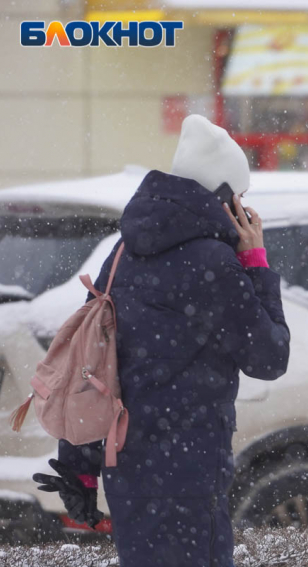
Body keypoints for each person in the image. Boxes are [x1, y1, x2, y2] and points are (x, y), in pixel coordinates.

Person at [33, 115, 291, 567]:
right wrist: (257, 264)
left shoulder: (124, 252)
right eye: (241, 196)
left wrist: (80, 466)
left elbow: (93, 363)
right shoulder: (212, 262)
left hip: (126, 465)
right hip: (188, 470)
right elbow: (269, 356)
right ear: (224, 197)